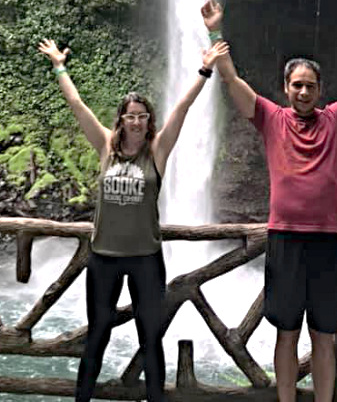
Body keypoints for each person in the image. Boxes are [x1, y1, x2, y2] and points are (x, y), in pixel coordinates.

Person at [200, 0, 337, 402]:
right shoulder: (270, 118)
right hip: (284, 238)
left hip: (327, 240)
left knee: (323, 334)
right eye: (296, 85)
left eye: (309, 86)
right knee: (286, 331)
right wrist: (215, 31)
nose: (302, 91)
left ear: (320, 90)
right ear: (286, 88)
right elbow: (231, 80)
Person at [38, 37, 228, 402]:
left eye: (142, 116)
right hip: (104, 258)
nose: (137, 122)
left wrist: (205, 69)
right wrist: (59, 66)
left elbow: (183, 108)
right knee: (98, 335)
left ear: (148, 120)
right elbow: (77, 105)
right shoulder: (105, 146)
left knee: (150, 337)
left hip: (145, 259)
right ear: (121, 120)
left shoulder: (157, 150)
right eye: (131, 116)